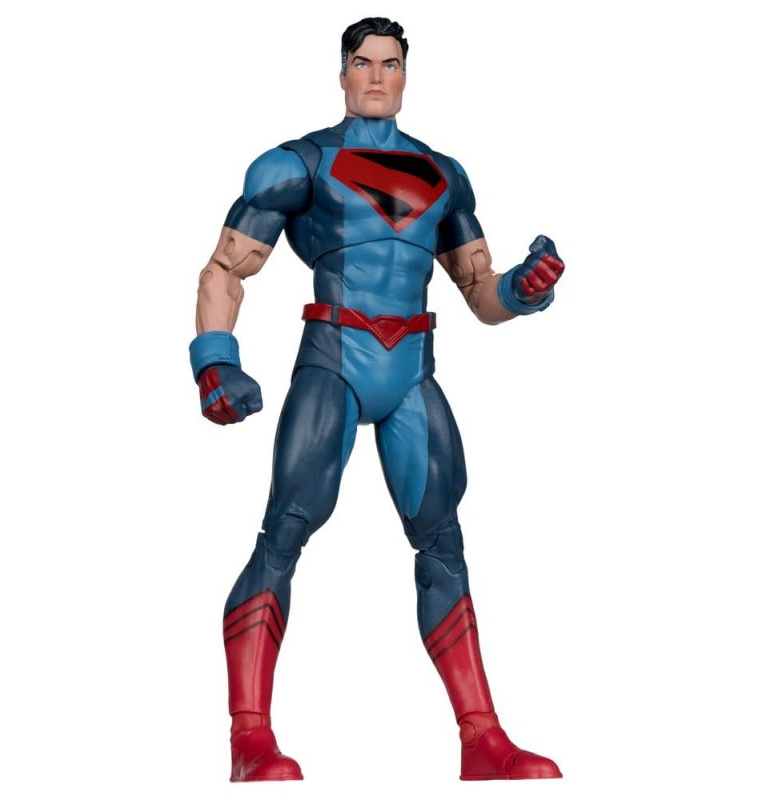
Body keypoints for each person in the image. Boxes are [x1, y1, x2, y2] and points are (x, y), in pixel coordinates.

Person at [189, 16, 565, 782]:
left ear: (405, 75)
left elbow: (479, 293)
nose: (375, 76)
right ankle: (249, 738)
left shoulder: (443, 174)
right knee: (284, 534)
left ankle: (482, 739)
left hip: (413, 371)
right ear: (341, 73)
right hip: (335, 359)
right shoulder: (298, 164)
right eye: (362, 63)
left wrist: (523, 292)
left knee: (444, 545)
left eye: (389, 64)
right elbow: (225, 269)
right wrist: (214, 360)